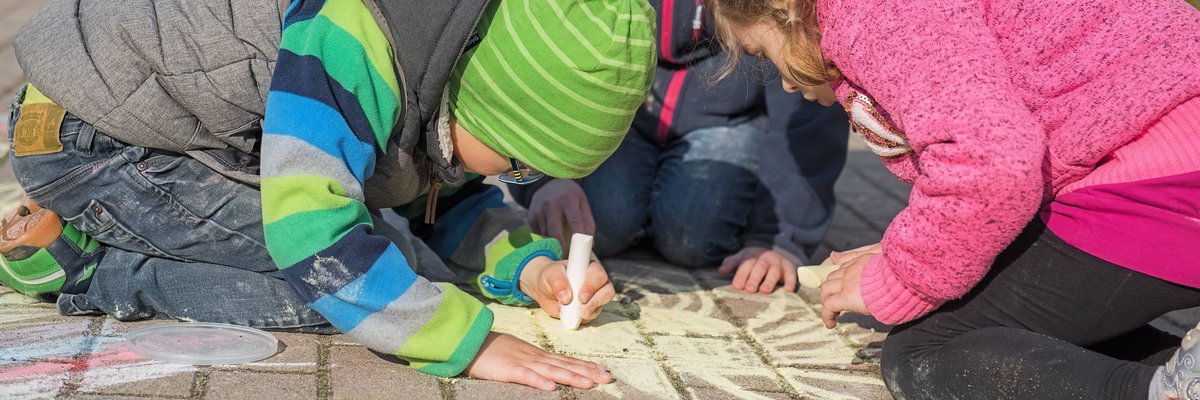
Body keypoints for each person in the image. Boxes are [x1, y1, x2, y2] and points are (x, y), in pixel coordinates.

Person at [2, 0, 655, 391]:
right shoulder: (354, 38)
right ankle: (92, 265)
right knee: (344, 285)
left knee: (393, 264)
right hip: (88, 137)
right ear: (485, 98)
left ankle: (98, 242)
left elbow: (431, 200)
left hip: (140, 125)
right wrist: (468, 342)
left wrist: (530, 267)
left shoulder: (435, 51)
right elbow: (312, 236)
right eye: (517, 163)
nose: (510, 176)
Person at [705, 0, 1200, 398]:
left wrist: (899, 280)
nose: (786, 84)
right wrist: (907, 247)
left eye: (760, 54)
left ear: (784, 10)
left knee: (925, 347)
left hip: (1165, 188)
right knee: (1005, 321)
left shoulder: (873, 11)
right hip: (1161, 169)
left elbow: (990, 160)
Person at [510, 0, 848, 295]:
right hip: (623, 121)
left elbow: (808, 111)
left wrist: (779, 237)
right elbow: (531, 60)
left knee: (691, 238)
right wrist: (543, 179)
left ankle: (681, 209)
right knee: (602, 226)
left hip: (727, 118)